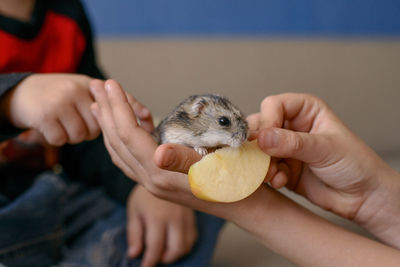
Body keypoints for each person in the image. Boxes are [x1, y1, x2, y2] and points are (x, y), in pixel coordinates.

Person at [0, 1, 223, 266]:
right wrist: (11, 99)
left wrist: (140, 184)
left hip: (55, 201)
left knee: (195, 199)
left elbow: (89, 141)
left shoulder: (67, 14)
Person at [90, 78, 400, 266]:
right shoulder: (179, 126)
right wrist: (373, 196)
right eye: (226, 123)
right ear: (197, 112)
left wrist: (247, 206)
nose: (241, 133)